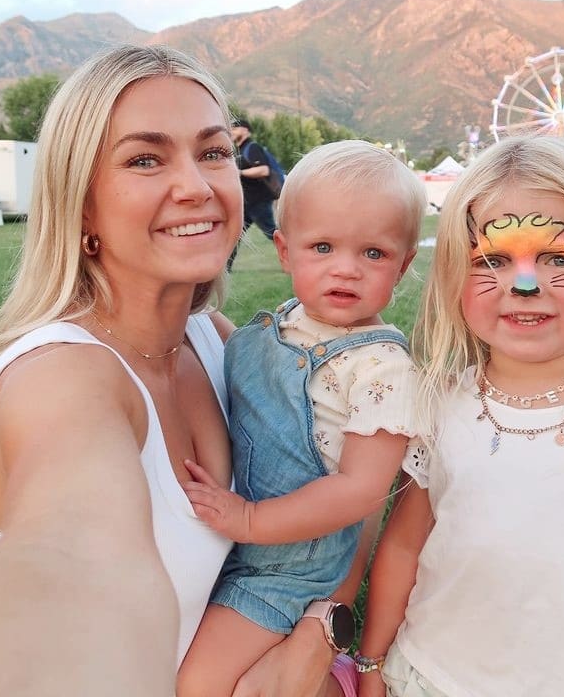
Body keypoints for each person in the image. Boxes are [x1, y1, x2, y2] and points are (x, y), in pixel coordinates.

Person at [0, 45, 373, 697]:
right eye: (145, 159)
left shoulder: (220, 344)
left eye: (213, 152)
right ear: (79, 206)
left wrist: (317, 637)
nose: (197, 185)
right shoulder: (62, 378)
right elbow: (73, 554)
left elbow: (341, 498)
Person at [356, 135, 564, 697]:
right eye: (492, 260)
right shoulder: (439, 405)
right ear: (454, 278)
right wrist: (373, 661)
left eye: (558, 258)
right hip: (432, 675)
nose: (524, 285)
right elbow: (403, 546)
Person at [179, 140, 427, 696]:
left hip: (290, 566)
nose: (346, 269)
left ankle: (315, 660)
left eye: (374, 254)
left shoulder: (381, 369)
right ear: (285, 252)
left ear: (404, 264)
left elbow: (360, 491)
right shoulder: (282, 326)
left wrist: (248, 521)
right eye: (323, 247)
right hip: (239, 544)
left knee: (200, 683)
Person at [227, 119, 277, 270]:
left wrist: (239, 172)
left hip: (258, 202)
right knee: (235, 234)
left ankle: (297, 258)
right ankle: (226, 269)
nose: (231, 131)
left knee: (272, 233)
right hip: (247, 203)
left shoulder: (252, 147)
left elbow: (264, 170)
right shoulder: (241, 150)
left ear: (245, 130)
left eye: (235, 128)